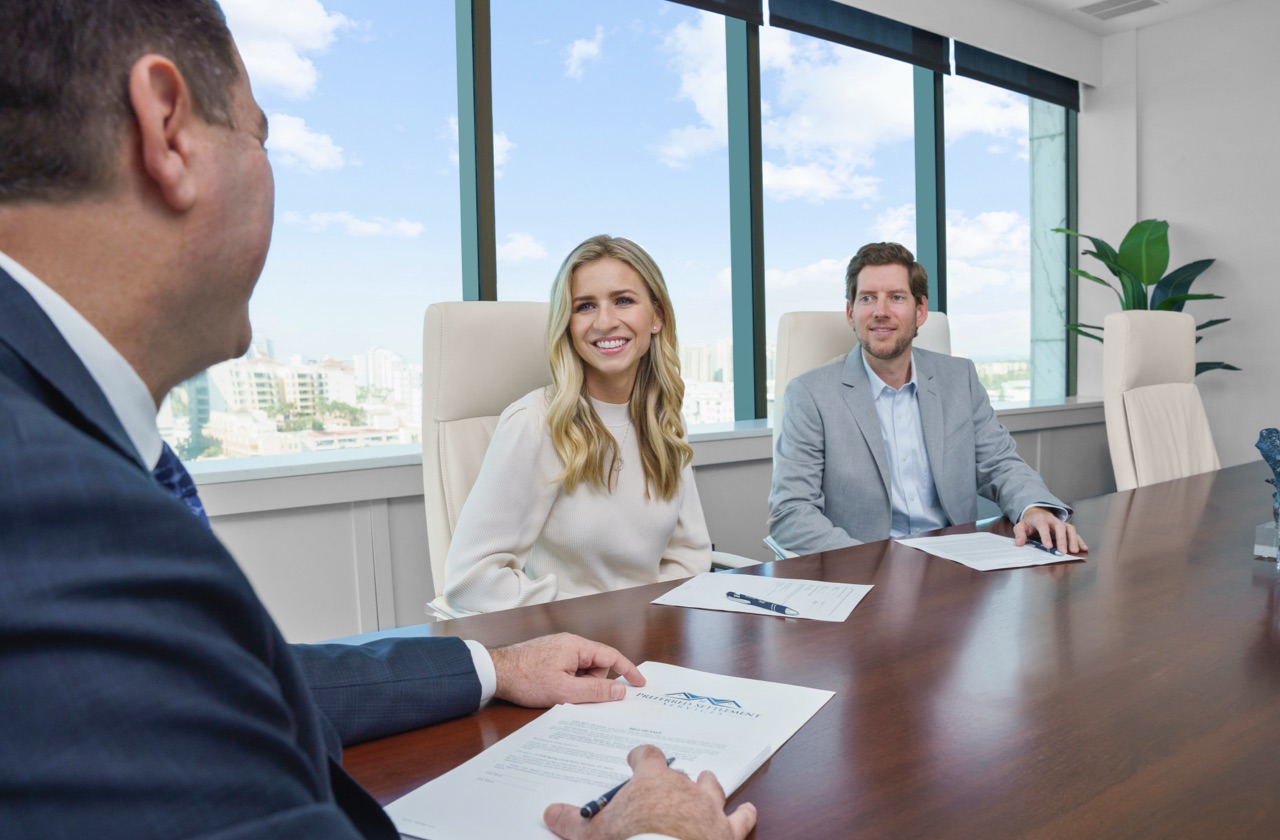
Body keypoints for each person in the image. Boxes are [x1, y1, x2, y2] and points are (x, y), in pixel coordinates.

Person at [0, 3, 753, 839]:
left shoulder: (70, 442)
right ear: (167, 127)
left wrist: (492, 664)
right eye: (262, 136)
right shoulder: (41, 491)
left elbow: (249, 680)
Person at [440, 235, 712, 614]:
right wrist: (604, 620)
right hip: (567, 643)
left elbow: (689, 554)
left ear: (657, 316)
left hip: (653, 635)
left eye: (623, 300)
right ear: (566, 324)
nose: (604, 321)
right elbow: (471, 581)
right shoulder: (534, 423)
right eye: (585, 306)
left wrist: (653, 621)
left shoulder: (665, 418)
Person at [768, 241, 1088, 556]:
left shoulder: (958, 378)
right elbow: (792, 512)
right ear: (851, 312)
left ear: (920, 311)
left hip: (957, 567)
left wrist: (1034, 508)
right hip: (867, 573)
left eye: (896, 297)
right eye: (867, 298)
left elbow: (1000, 465)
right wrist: (871, 565)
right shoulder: (810, 394)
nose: (880, 311)